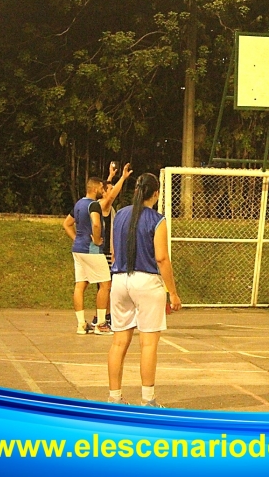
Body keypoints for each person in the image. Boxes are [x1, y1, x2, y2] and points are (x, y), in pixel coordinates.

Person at [107, 173, 182, 407]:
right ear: (156, 194)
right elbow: (161, 258)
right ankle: (148, 400)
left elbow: (113, 250)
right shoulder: (157, 220)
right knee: (148, 344)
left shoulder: (119, 214)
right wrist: (173, 292)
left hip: (119, 279)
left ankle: (114, 398)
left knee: (119, 342)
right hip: (146, 281)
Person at [63, 177, 113, 335]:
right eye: (101, 187)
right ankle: (101, 324)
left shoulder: (79, 204)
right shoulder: (94, 205)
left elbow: (67, 224)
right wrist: (97, 240)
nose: (103, 190)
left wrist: (76, 239)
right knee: (106, 284)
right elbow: (96, 224)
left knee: (80, 285)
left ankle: (81, 324)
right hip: (91, 250)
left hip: (78, 249)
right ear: (95, 187)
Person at [91, 162, 133, 330]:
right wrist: (122, 177)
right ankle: (101, 319)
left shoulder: (101, 204)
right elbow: (110, 194)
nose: (112, 189)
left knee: (105, 287)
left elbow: (107, 189)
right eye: (109, 188)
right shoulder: (103, 204)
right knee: (106, 286)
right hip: (104, 251)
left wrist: (110, 176)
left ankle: (103, 316)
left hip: (107, 251)